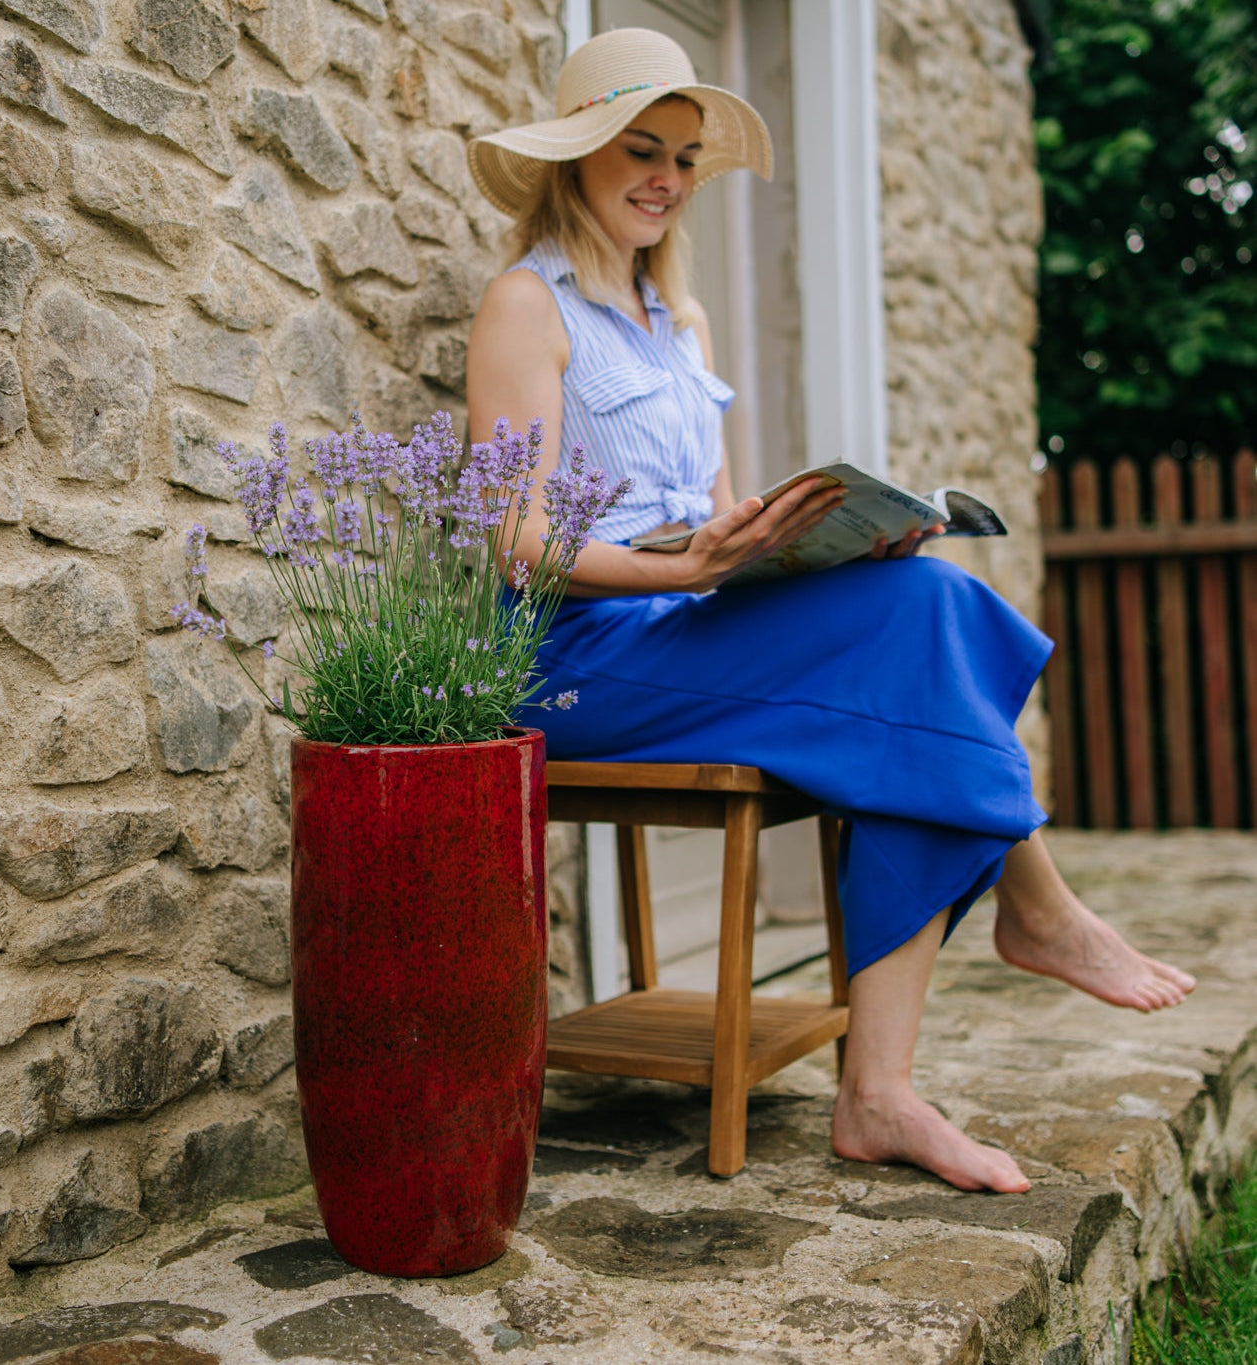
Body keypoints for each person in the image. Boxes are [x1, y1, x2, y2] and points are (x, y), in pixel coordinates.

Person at [464, 27, 1194, 1194]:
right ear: (580, 158)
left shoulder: (680, 323)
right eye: (641, 150)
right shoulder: (525, 306)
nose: (667, 177)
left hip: (678, 621)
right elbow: (515, 540)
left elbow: (713, 523)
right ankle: (1031, 918)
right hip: (572, 657)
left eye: (687, 158)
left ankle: (881, 1094)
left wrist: (807, 546)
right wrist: (687, 574)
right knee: (920, 639)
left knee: (916, 599)